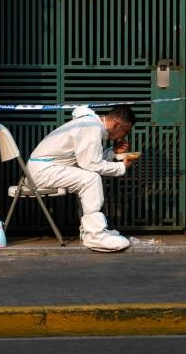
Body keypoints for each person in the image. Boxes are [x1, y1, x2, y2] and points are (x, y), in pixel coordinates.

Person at [26, 104, 139, 252]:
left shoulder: (90, 124)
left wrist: (112, 153)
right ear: (117, 124)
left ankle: (89, 230)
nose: (124, 136)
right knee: (91, 179)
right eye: (126, 131)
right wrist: (121, 167)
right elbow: (91, 165)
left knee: (88, 176)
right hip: (42, 171)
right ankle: (95, 235)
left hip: (44, 168)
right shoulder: (91, 128)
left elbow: (85, 160)